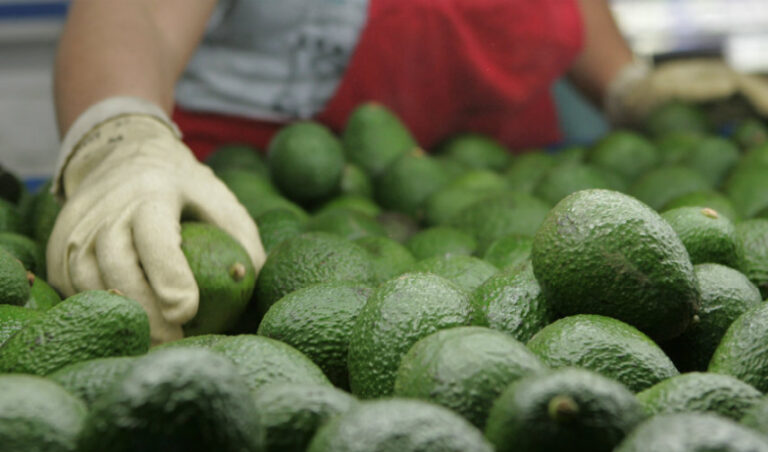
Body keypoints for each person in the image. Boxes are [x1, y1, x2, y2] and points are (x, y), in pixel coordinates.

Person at [49, 0, 768, 343]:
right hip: (258, 200)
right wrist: (120, 132)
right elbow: (134, 15)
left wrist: (627, 86)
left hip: (517, 189)